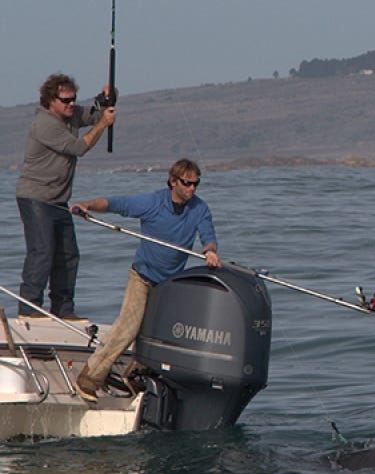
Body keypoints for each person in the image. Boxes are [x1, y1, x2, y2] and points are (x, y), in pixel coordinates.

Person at [70, 158, 221, 403]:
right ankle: (88, 380)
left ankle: (134, 375)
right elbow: (116, 204)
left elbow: (208, 234)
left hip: (169, 284)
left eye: (196, 184)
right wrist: (86, 205)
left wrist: (210, 251)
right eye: (187, 183)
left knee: (164, 332)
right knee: (127, 329)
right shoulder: (153, 202)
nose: (192, 189)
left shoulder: (200, 208)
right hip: (142, 277)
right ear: (173, 181)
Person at [16, 73, 116, 319]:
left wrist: (108, 99)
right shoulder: (45, 124)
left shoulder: (70, 115)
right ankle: (29, 311)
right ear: (50, 100)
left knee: (68, 255)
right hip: (36, 198)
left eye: (73, 99)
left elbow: (93, 114)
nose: (71, 104)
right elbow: (79, 147)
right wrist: (103, 124)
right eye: (65, 100)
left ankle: (63, 310)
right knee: (42, 253)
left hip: (59, 201)